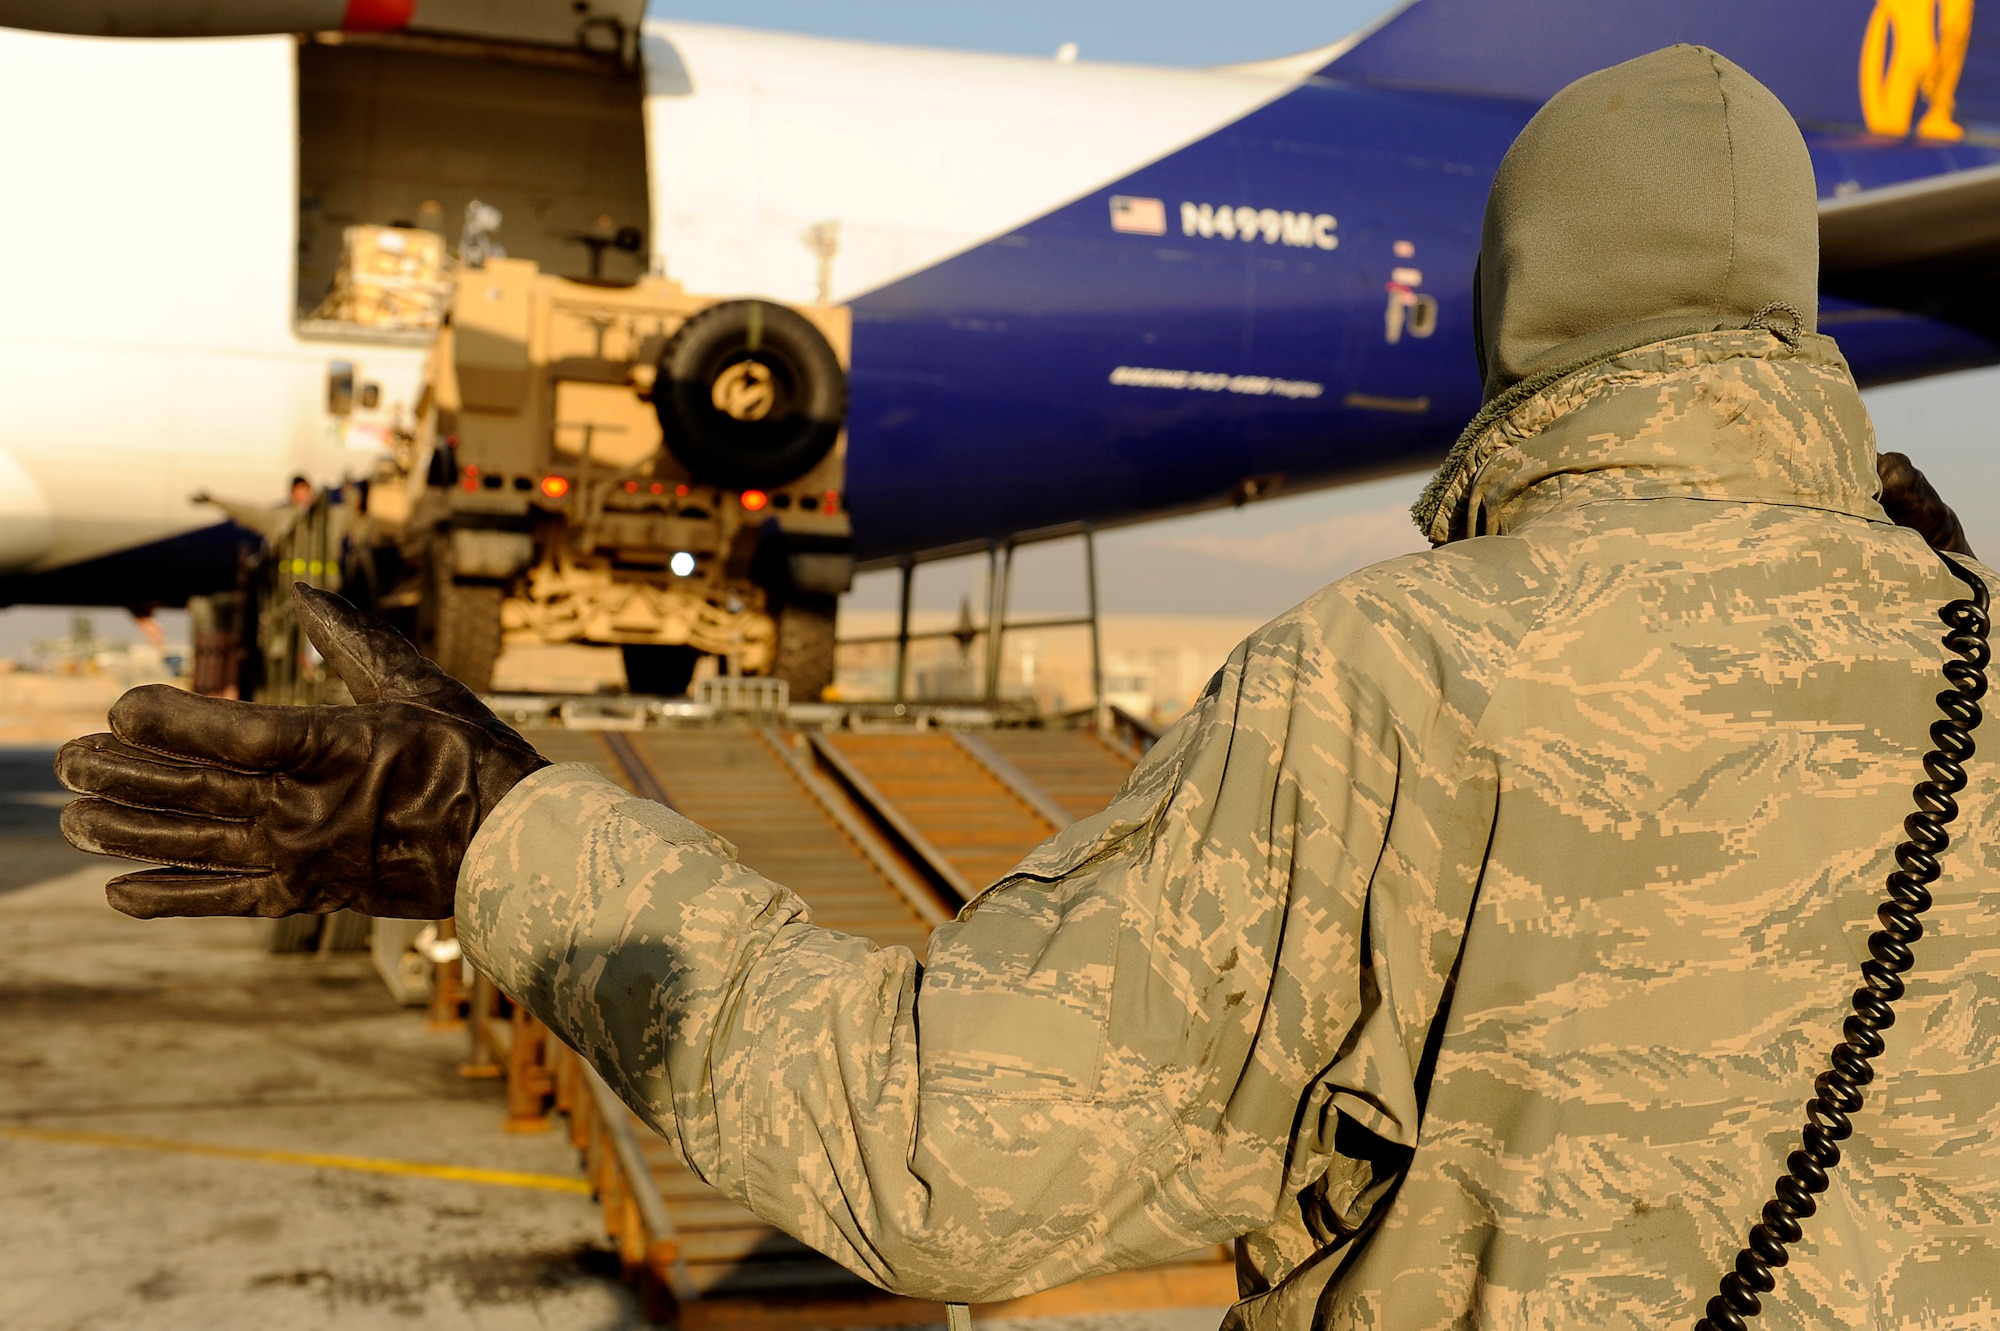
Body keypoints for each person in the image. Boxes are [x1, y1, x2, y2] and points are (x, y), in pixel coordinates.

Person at [54, 46, 1999, 1330]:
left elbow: (944, 1162)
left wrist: (503, 837)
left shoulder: (1400, 683)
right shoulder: (1968, 654)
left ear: (1502, 300)